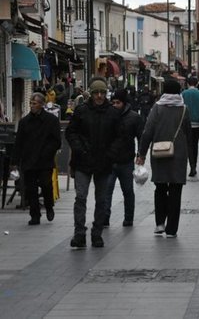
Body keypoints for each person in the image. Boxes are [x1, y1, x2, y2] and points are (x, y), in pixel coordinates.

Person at [65, 77, 125, 248]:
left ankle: (97, 233)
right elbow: (71, 132)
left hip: (103, 162)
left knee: (101, 199)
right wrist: (79, 149)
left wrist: (110, 154)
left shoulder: (113, 113)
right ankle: (79, 233)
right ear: (91, 94)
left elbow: (120, 137)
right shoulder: (82, 111)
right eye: (96, 93)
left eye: (102, 93)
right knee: (81, 197)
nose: (99, 96)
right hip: (83, 161)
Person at [136, 79, 194, 238]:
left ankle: (160, 223)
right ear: (178, 92)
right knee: (176, 190)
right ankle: (172, 228)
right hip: (179, 154)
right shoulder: (184, 109)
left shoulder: (157, 108)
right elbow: (189, 135)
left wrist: (141, 154)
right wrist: (192, 159)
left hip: (159, 153)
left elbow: (147, 132)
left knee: (160, 188)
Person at [11, 92, 61, 225]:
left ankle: (49, 206)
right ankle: (35, 214)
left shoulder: (51, 121)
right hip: (29, 160)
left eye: (35, 103)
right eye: (31, 103)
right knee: (30, 188)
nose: (32, 106)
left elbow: (56, 141)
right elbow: (19, 142)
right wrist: (15, 161)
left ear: (42, 104)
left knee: (46, 185)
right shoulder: (24, 122)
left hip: (45, 160)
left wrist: (47, 152)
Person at [104, 89, 143, 227]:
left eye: (118, 102)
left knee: (127, 191)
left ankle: (128, 218)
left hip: (126, 160)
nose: (115, 105)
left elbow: (141, 137)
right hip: (109, 160)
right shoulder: (107, 116)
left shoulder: (134, 117)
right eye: (113, 102)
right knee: (106, 191)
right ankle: (105, 218)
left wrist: (140, 154)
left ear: (124, 103)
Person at [182, 76, 199, 176]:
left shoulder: (183, 94)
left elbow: (180, 108)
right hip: (198, 123)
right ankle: (194, 166)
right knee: (195, 145)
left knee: (188, 145)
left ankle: (191, 165)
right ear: (197, 84)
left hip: (186, 123)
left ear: (187, 84)